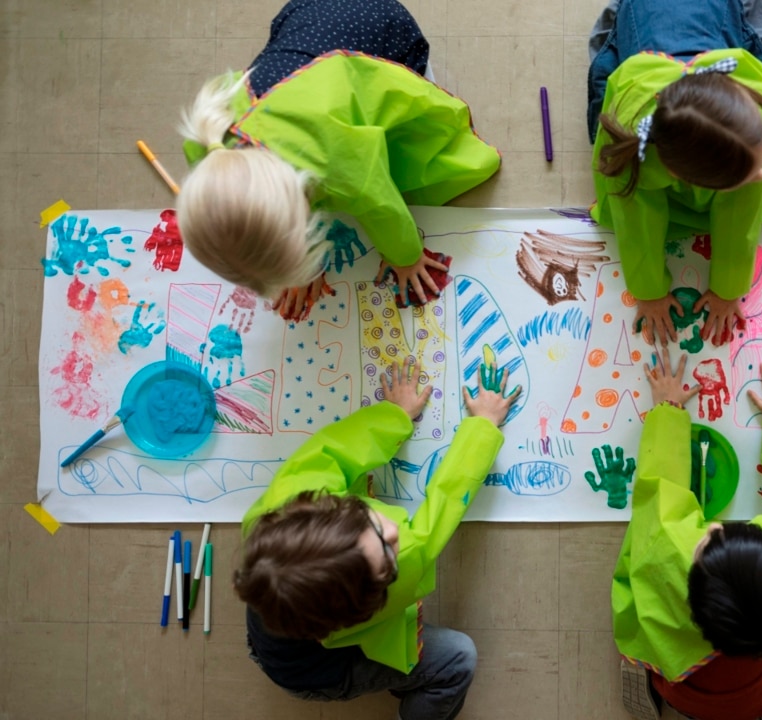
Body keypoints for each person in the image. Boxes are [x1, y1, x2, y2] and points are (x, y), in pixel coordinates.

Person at [176, 0, 500, 321]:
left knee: (417, 162)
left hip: (383, 33)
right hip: (305, 13)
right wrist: (302, 269)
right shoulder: (210, 140)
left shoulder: (338, 164)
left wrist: (406, 258)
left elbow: (382, 206)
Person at [234, 356, 519, 720]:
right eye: (387, 553)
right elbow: (443, 507)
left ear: (325, 506)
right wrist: (481, 427)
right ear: (368, 601)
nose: (394, 531)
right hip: (315, 671)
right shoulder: (400, 567)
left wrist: (395, 415)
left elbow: (337, 448)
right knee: (458, 658)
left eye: (368, 525)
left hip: (280, 629)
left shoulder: (282, 504)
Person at [587, 0, 762, 347]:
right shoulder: (633, 144)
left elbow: (742, 211)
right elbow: (634, 218)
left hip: (712, 12)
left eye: (757, 165)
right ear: (680, 175)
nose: (760, 178)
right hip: (643, 17)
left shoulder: (754, 106)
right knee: (600, 133)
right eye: (749, 173)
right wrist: (648, 292)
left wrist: (729, 287)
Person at [613, 352, 762, 720]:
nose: (713, 526)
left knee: (639, 589)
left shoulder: (667, 554)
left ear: (692, 596)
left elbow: (659, 485)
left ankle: (640, 659)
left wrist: (668, 409)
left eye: (709, 542)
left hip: (680, 688)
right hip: (758, 697)